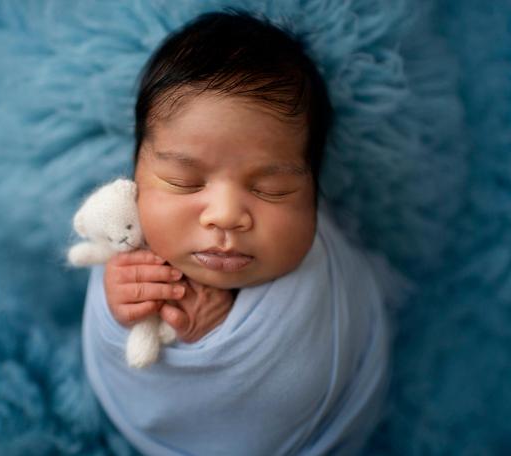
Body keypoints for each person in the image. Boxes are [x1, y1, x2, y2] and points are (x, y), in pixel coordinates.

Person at [82, 10, 391, 455]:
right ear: (135, 177)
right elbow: (122, 359)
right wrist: (119, 310)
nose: (225, 217)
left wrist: (215, 334)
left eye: (273, 189)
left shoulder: (320, 280)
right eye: (184, 182)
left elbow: (301, 383)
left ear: (313, 192)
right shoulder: (128, 234)